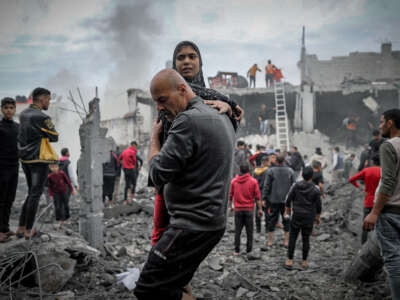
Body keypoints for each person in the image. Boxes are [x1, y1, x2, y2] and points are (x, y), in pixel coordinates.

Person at [134, 69, 235, 300]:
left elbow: (158, 173)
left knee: (148, 288)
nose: (159, 108)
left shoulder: (187, 120)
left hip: (191, 225)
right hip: (210, 223)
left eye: (162, 100)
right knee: (175, 286)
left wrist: (153, 139)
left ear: (182, 90)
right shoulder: (221, 115)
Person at [151, 40, 243, 246]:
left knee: (186, 235)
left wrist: (227, 107)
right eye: (180, 57)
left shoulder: (216, 100)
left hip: (196, 181)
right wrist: (228, 103)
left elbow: (227, 131)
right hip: (168, 173)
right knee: (160, 232)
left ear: (200, 62)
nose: (186, 61)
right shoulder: (166, 94)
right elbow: (159, 132)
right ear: (174, 64)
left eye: (192, 56)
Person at [363, 109, 400, 300]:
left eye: (382, 121)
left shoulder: (389, 146)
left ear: (391, 123)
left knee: (394, 262)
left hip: (392, 211)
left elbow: (388, 182)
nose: (380, 126)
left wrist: (375, 212)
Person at [16, 87, 58, 240]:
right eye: (48, 99)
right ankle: (28, 231)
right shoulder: (42, 117)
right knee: (35, 194)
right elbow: (54, 137)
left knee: (30, 194)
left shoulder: (23, 114)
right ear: (42, 99)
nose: (49, 102)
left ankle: (21, 228)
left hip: (25, 158)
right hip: (39, 159)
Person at [284, 167, 322, 269]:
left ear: (302, 175)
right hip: (309, 217)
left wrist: (288, 211)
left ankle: (289, 260)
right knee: (306, 239)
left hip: (296, 215)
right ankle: (304, 261)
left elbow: (288, 200)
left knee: (293, 238)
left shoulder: (296, 186)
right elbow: (319, 206)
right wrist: (317, 218)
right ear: (312, 176)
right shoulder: (315, 189)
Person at [262, 154, 295, 247]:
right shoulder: (290, 171)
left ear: (276, 161)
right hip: (286, 201)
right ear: (284, 161)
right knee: (287, 220)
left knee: (272, 219)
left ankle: (270, 241)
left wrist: (264, 198)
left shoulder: (271, 171)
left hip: (273, 199)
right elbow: (294, 186)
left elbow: (266, 186)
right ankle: (286, 241)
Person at [229, 164, 263, 255]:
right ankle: (249, 250)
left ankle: (236, 250)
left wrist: (230, 206)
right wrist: (260, 209)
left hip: (238, 210)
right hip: (249, 209)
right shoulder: (253, 181)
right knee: (249, 231)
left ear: (240, 170)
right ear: (249, 170)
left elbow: (230, 195)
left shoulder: (234, 181)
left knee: (237, 231)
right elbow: (258, 197)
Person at [349, 155, 381, 244]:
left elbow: (351, 179)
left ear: (372, 162)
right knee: (380, 226)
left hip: (368, 202)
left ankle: (363, 246)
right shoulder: (384, 172)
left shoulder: (367, 170)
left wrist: (361, 188)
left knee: (365, 226)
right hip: (380, 203)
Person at [0, 98, 19, 242]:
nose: (8, 110)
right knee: (1, 199)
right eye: (6, 108)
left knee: (9, 199)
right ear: (1, 109)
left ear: (15, 110)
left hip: (14, 167)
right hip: (1, 167)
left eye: (11, 108)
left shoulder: (17, 127)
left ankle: (5, 228)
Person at [47, 163, 74, 228]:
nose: (54, 168)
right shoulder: (50, 176)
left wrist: (72, 189)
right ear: (50, 168)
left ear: (58, 167)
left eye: (56, 167)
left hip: (64, 191)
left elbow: (68, 181)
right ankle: (58, 220)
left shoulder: (62, 173)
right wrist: (50, 195)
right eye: (52, 167)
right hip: (56, 193)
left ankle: (67, 218)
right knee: (57, 207)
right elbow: (49, 187)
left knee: (66, 205)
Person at [59, 148, 78, 222]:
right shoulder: (68, 162)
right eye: (68, 152)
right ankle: (64, 219)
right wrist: (76, 185)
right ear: (66, 153)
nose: (69, 153)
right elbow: (72, 175)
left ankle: (60, 217)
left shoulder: (58, 162)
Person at [253, 156, 270, 233]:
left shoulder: (255, 171)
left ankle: (258, 228)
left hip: (257, 192)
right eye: (268, 161)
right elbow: (268, 184)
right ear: (265, 162)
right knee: (266, 210)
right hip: (265, 192)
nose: (269, 163)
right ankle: (267, 228)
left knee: (258, 210)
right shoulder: (268, 171)